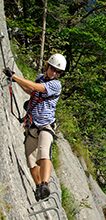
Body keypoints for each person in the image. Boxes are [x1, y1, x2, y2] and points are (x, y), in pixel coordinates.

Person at [3, 53, 66, 201]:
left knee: (44, 152)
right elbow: (31, 91)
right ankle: (38, 187)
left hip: (45, 125)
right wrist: (16, 81)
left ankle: (45, 184)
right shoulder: (40, 77)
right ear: (47, 66)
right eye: (53, 69)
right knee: (31, 160)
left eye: (58, 72)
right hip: (32, 125)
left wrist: (15, 77)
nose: (54, 73)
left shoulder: (56, 85)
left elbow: (37, 87)